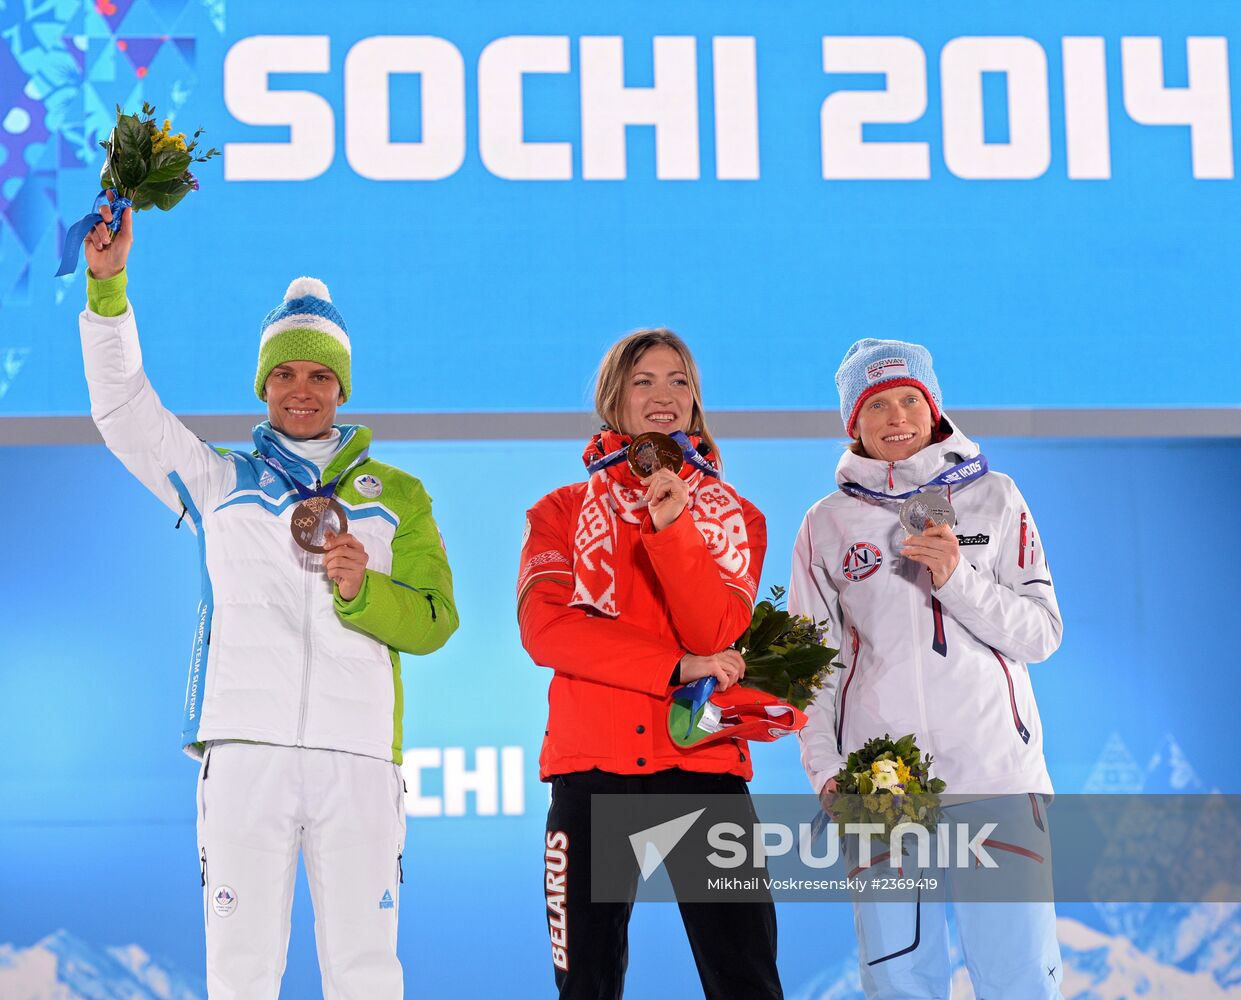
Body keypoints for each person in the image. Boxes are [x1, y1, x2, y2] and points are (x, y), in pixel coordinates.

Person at [78, 197, 458, 999]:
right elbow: (123, 411)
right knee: (241, 975)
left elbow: (434, 622)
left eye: (319, 374)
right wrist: (108, 291)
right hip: (246, 752)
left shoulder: (398, 496)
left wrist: (363, 591)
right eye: (284, 372)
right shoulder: (221, 480)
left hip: (357, 757)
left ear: (342, 386)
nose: (301, 389)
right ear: (263, 383)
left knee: (365, 975)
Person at [790, 339, 1063, 999]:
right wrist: (826, 772)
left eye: (909, 399)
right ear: (852, 422)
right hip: (881, 785)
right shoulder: (826, 524)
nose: (896, 417)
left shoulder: (995, 497)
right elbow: (811, 669)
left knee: (1020, 979)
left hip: (994, 774)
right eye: (875, 403)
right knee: (898, 982)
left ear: (933, 408)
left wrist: (955, 579)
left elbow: (1040, 634)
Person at [516, 329, 784, 999]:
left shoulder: (737, 518)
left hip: (702, 768)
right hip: (592, 774)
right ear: (615, 397)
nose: (663, 396)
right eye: (644, 381)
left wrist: (675, 530)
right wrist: (677, 666)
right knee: (586, 986)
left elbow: (717, 631)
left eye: (678, 381)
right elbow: (547, 633)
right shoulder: (559, 513)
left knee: (747, 983)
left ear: (694, 401)